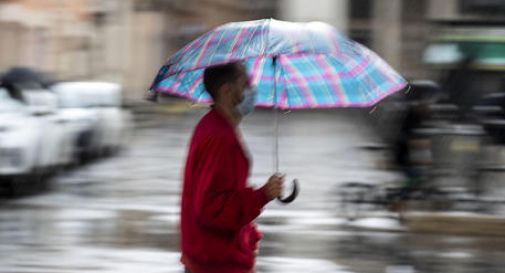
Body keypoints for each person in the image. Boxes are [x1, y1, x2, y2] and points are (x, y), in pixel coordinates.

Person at [180, 62, 284, 273]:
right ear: (227, 91)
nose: (252, 89)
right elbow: (211, 208)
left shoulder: (215, 127)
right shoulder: (220, 137)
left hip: (212, 259)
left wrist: (248, 237)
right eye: (245, 83)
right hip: (217, 264)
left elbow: (224, 194)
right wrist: (262, 195)